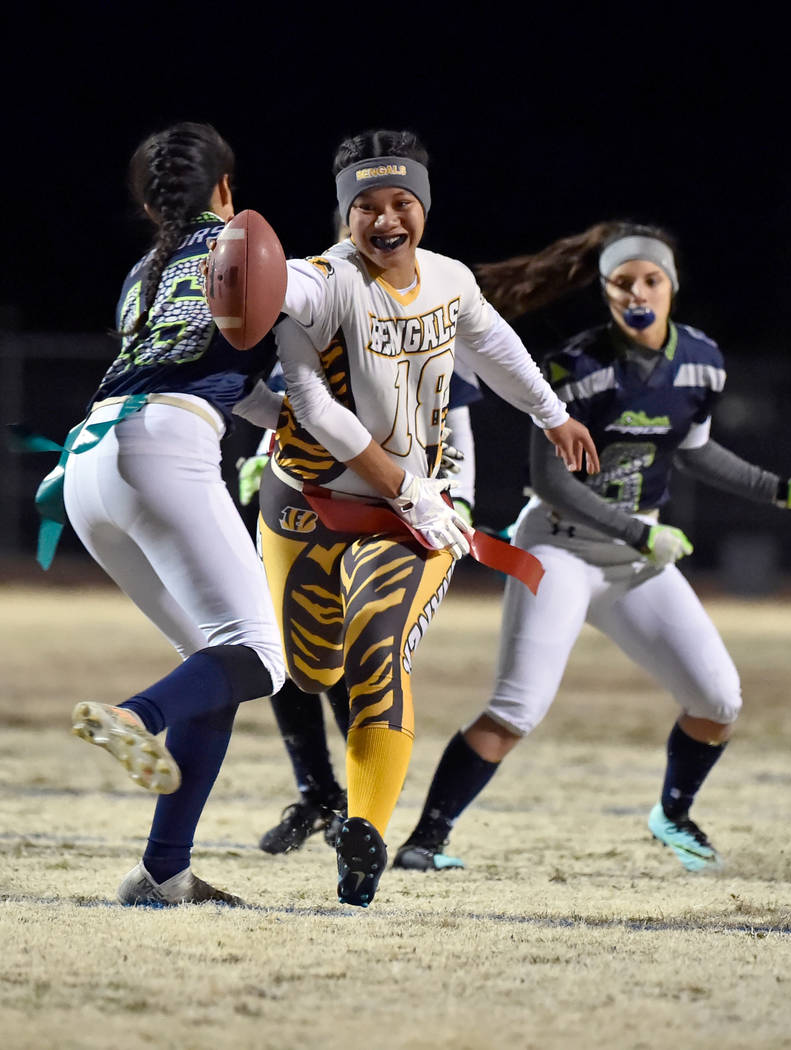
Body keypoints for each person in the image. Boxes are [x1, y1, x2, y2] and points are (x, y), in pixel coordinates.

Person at [393, 221, 791, 874]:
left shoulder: (701, 360)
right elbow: (549, 480)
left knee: (718, 702)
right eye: (622, 281)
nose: (637, 292)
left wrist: (777, 490)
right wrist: (638, 530)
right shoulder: (577, 366)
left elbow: (694, 448)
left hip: (634, 559)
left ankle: (672, 814)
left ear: (671, 286)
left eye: (650, 279)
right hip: (559, 552)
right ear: (603, 292)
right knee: (517, 707)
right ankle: (424, 841)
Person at [229, 128, 599, 906]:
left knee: (376, 656)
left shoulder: (450, 280)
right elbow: (315, 406)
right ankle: (327, 792)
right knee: (306, 670)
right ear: (343, 216)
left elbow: (494, 342)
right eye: (366, 205)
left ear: (424, 208)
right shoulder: (319, 283)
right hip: (306, 502)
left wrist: (551, 414)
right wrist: (228, 269)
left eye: (402, 201)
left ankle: (364, 832)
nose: (385, 217)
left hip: (408, 519)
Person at [58, 122, 286, 905]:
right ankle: (135, 714)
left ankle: (163, 872)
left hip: (88, 460)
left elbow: (214, 369)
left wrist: (275, 416)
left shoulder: (141, 272)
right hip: (163, 449)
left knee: (217, 669)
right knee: (260, 657)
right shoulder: (244, 245)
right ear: (226, 187)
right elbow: (252, 377)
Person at [249, 367, 481, 857]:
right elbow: (285, 398)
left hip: (390, 507)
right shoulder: (319, 310)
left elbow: (452, 416)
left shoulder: (422, 311)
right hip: (304, 497)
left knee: (364, 641)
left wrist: (460, 495)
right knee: (288, 648)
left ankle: (359, 811)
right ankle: (318, 793)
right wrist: (262, 456)